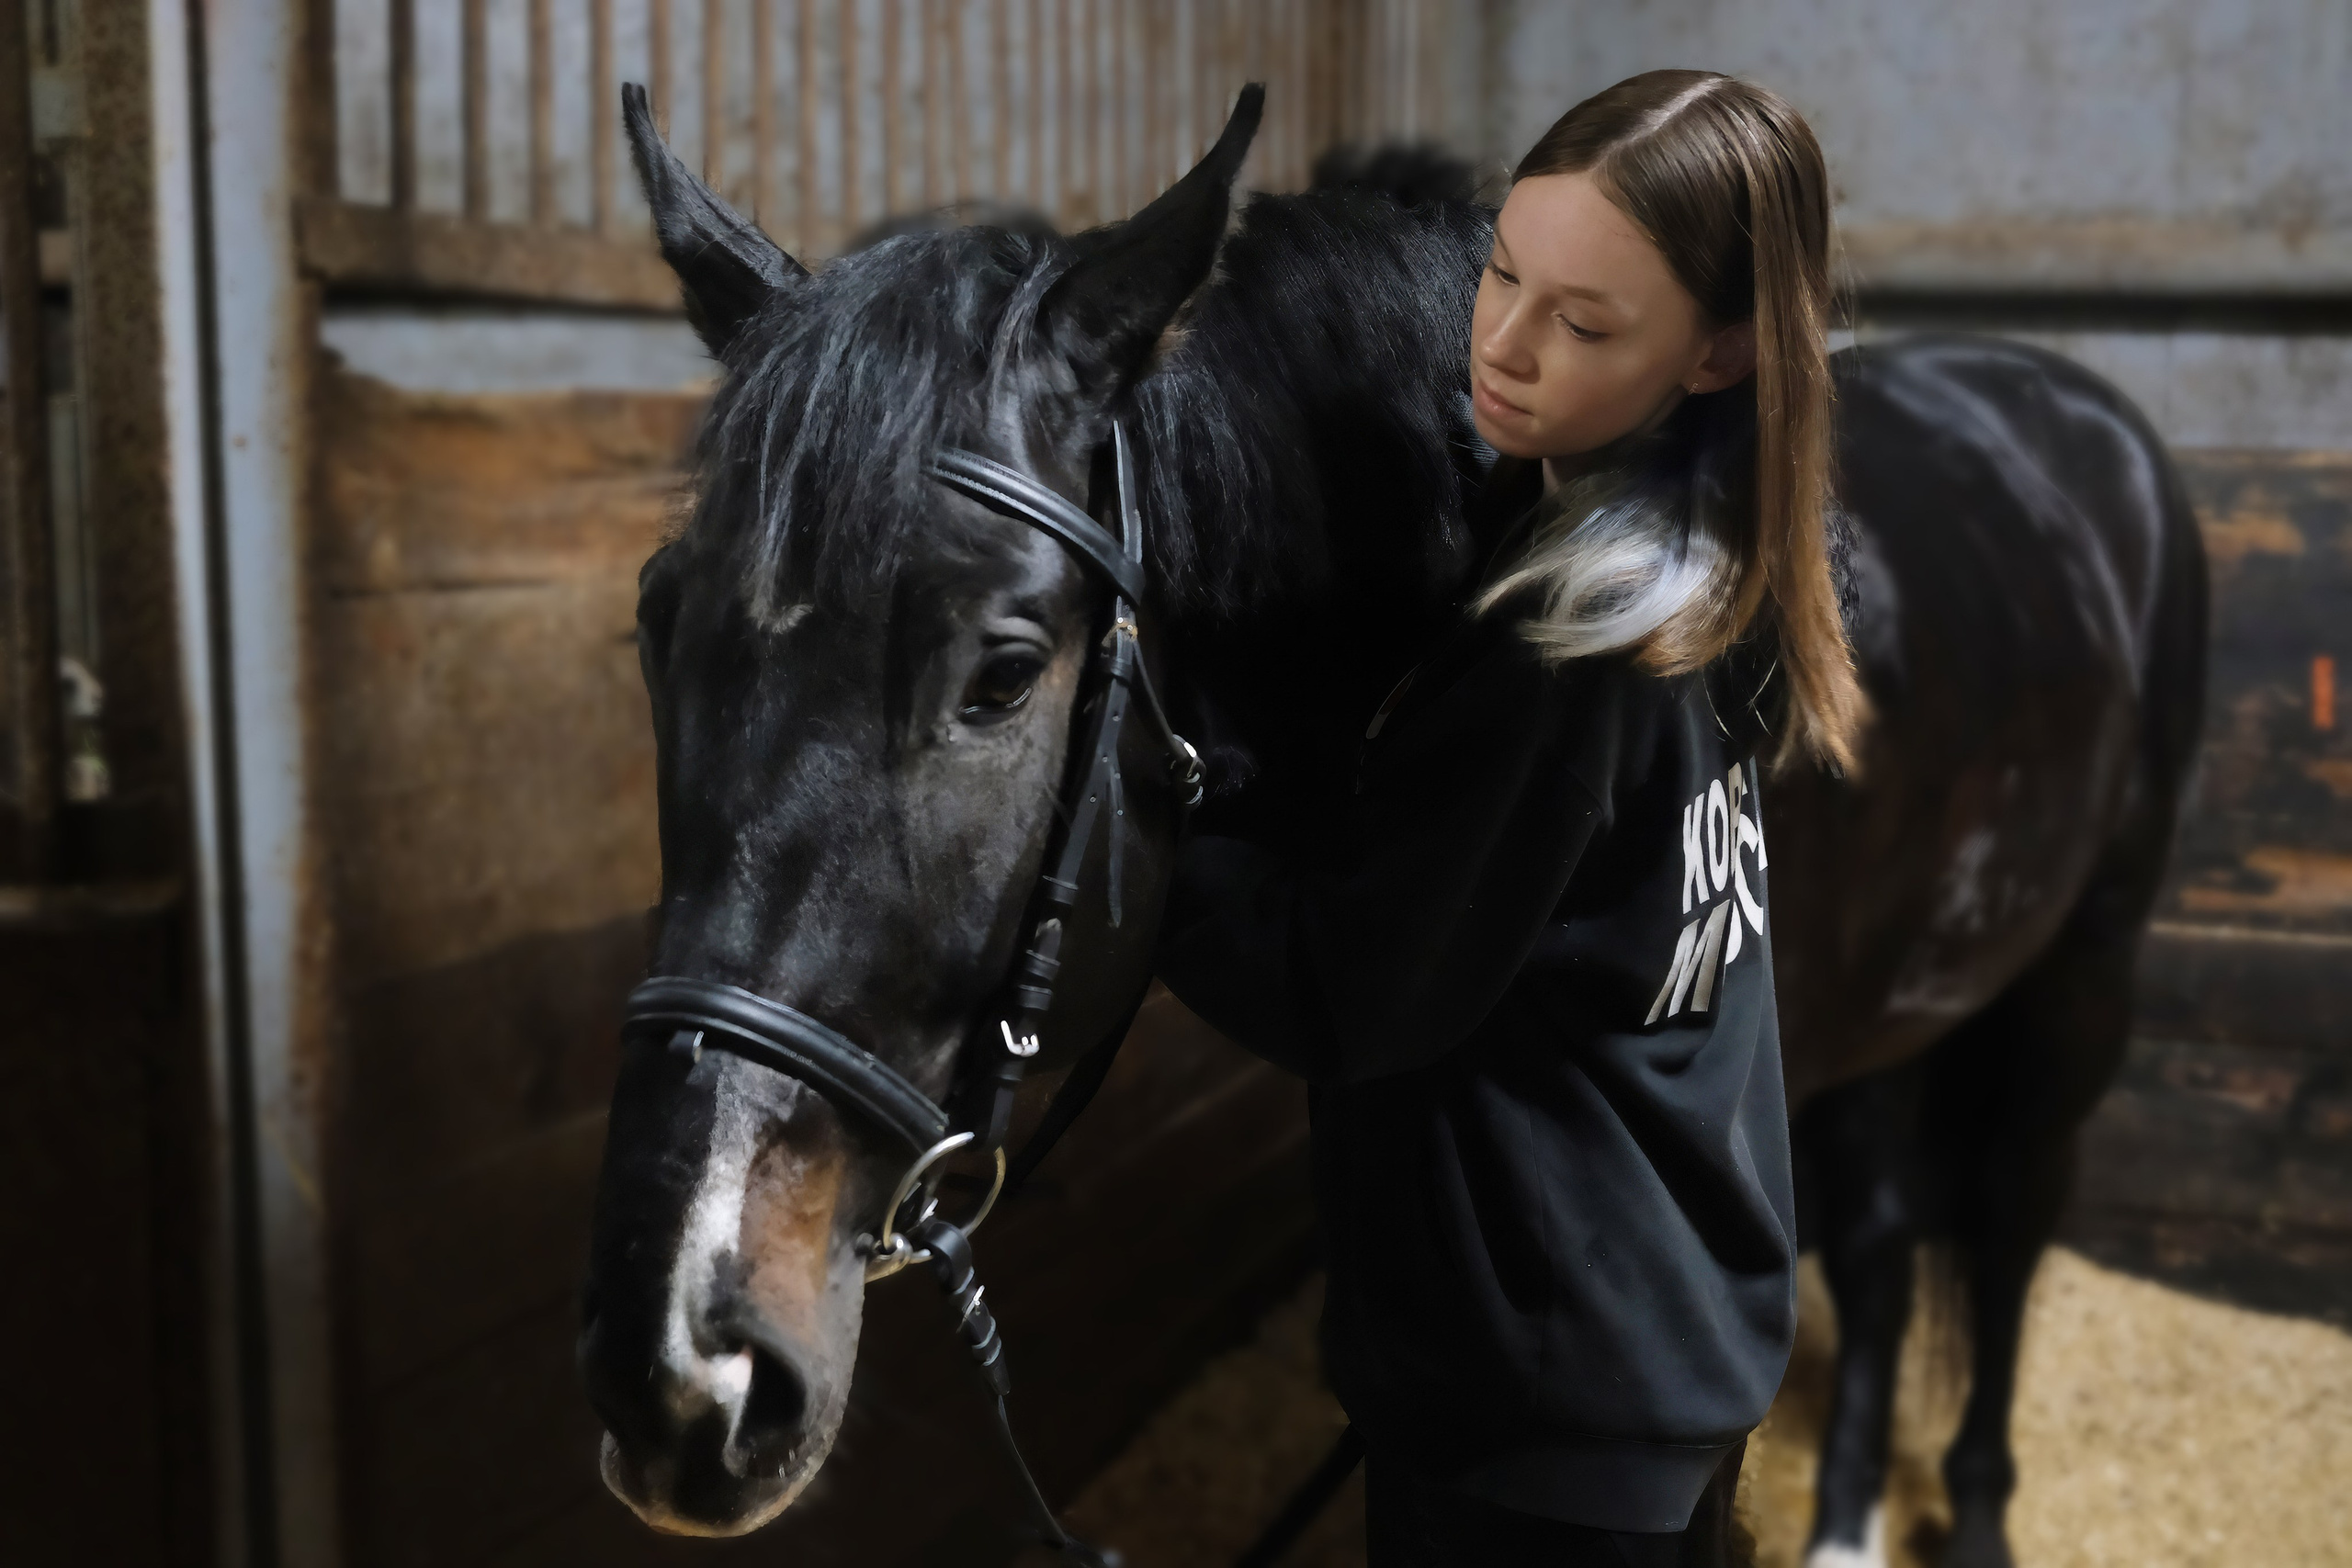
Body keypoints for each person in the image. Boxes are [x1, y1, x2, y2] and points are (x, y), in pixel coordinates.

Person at [1154, 70, 1868, 1566]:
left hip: (1540, 1394)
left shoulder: (1570, 645)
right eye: (1503, 271)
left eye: (1587, 324)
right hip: (1672, 1329)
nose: (1502, 343)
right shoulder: (1720, 560)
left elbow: (1346, 990)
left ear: (1721, 352)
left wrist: (1159, 810)